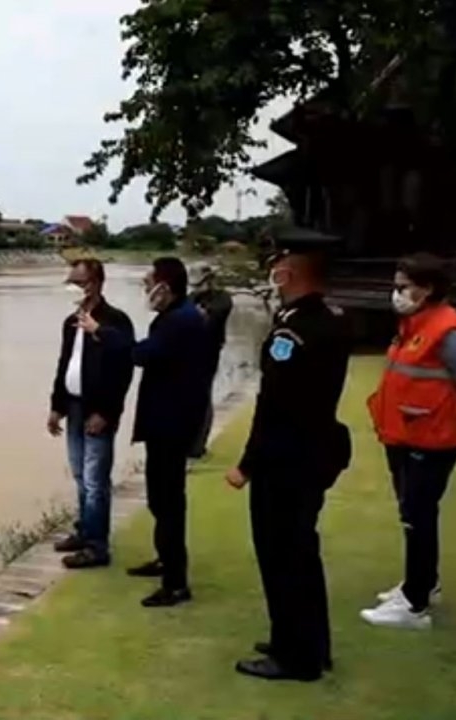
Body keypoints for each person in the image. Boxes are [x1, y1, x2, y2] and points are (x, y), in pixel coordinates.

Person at [226, 246, 352, 682]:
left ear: (292, 272)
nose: (273, 271)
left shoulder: (293, 330)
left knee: (282, 555)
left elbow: (275, 404)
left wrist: (247, 464)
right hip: (315, 452)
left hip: (286, 459)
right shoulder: (330, 319)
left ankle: (295, 656)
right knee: (302, 552)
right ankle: (311, 643)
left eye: (278, 265)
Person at [361, 252, 456, 630]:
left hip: (432, 440)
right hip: (405, 435)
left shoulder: (447, 333)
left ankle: (414, 605)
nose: (397, 293)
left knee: (418, 517)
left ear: (428, 288)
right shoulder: (413, 325)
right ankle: (422, 584)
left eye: (404, 287)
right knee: (413, 514)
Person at [117, 257, 211, 607]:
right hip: (168, 421)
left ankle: (176, 583)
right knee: (160, 498)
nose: (145, 290)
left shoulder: (179, 321)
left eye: (148, 284)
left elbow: (143, 355)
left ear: (164, 287)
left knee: (168, 501)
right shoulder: (176, 317)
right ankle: (165, 559)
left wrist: (109, 335)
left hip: (172, 423)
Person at [48, 258, 137, 569]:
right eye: (71, 282)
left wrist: (107, 413)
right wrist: (56, 406)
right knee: (80, 475)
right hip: (73, 405)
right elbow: (65, 364)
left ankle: (97, 547)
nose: (74, 288)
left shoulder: (115, 321)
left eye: (80, 282)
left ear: (96, 282)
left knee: (96, 479)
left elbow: (123, 370)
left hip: (98, 410)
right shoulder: (71, 321)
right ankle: (84, 531)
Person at [189, 263, 234, 458]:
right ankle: (188, 442)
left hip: (209, 352)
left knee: (203, 397)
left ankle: (198, 445)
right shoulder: (191, 298)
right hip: (189, 353)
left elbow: (211, 317)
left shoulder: (222, 299)